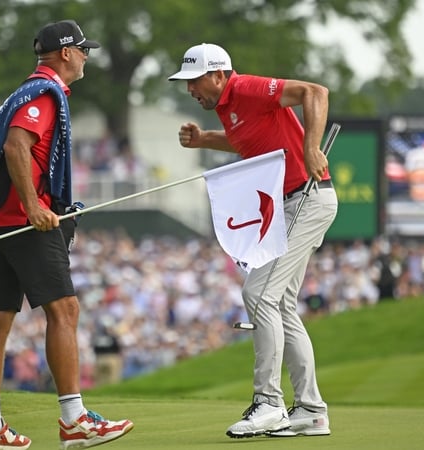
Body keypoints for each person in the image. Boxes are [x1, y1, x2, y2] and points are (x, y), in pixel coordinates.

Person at [0, 20, 134, 449]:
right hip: (22, 220)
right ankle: (74, 420)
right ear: (65, 53)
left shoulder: (30, 88)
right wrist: (35, 206)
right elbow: (17, 145)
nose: (87, 56)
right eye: (82, 49)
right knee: (65, 310)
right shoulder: (42, 92)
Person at [168, 43, 336, 439]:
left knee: (258, 295)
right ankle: (311, 411)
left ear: (218, 76)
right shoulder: (227, 108)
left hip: (306, 201)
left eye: (194, 82)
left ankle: (270, 404)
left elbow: (316, 92)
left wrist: (311, 147)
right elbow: (251, 141)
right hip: (289, 206)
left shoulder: (245, 89)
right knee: (280, 306)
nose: (190, 90)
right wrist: (206, 139)